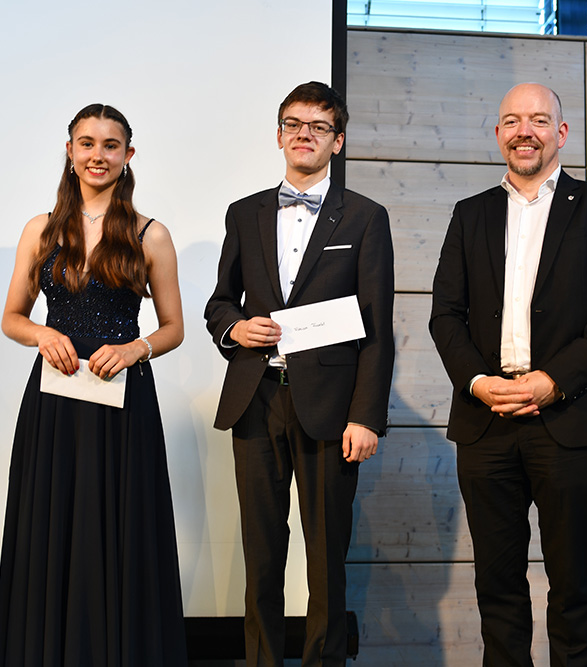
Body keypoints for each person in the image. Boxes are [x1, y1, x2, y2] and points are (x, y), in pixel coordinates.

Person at [429, 83, 587, 666]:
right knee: (497, 587)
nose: (525, 131)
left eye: (539, 120)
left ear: (561, 133)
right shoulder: (469, 214)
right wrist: (478, 383)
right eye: (512, 121)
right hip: (485, 420)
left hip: (567, 417)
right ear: (498, 133)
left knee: (572, 587)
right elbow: (445, 314)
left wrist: (554, 381)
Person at [204, 81, 394, 667]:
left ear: (338, 140)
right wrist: (235, 328)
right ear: (279, 135)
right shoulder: (245, 213)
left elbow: (377, 327)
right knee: (261, 555)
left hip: (331, 410)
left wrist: (366, 417)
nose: (304, 134)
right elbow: (219, 303)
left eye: (318, 126)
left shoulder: (365, 217)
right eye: (293, 124)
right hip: (256, 399)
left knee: (325, 558)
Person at [0, 104, 187, 666]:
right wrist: (40, 334)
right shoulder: (41, 229)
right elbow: (11, 318)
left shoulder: (152, 234)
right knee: (51, 528)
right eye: (86, 143)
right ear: (70, 151)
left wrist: (134, 348)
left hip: (124, 401)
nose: (97, 155)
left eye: (110, 145)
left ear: (128, 155)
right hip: (54, 402)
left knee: (122, 530)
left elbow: (173, 328)